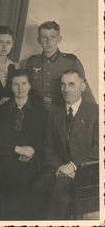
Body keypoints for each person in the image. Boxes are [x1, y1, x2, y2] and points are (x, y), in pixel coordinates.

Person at [0, 69, 47, 220]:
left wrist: (32, 150)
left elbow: (45, 138)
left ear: (30, 85)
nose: (20, 88)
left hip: (32, 158)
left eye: (23, 83)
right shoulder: (1, 109)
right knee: (6, 175)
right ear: (10, 86)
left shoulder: (41, 110)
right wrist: (17, 149)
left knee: (24, 177)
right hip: (5, 156)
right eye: (15, 84)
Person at [45, 69, 99, 219]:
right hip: (59, 169)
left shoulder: (96, 112)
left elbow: (100, 147)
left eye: (71, 84)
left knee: (60, 188)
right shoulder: (54, 112)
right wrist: (60, 167)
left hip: (87, 172)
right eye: (63, 85)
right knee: (37, 188)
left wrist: (73, 165)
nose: (66, 89)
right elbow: (47, 147)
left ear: (83, 86)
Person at [26, 21, 95, 109]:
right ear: (38, 40)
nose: (49, 41)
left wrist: (94, 113)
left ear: (59, 39)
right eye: (44, 37)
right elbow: (25, 89)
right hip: (37, 110)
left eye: (53, 37)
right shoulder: (32, 62)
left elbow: (84, 89)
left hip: (61, 111)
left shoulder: (71, 61)